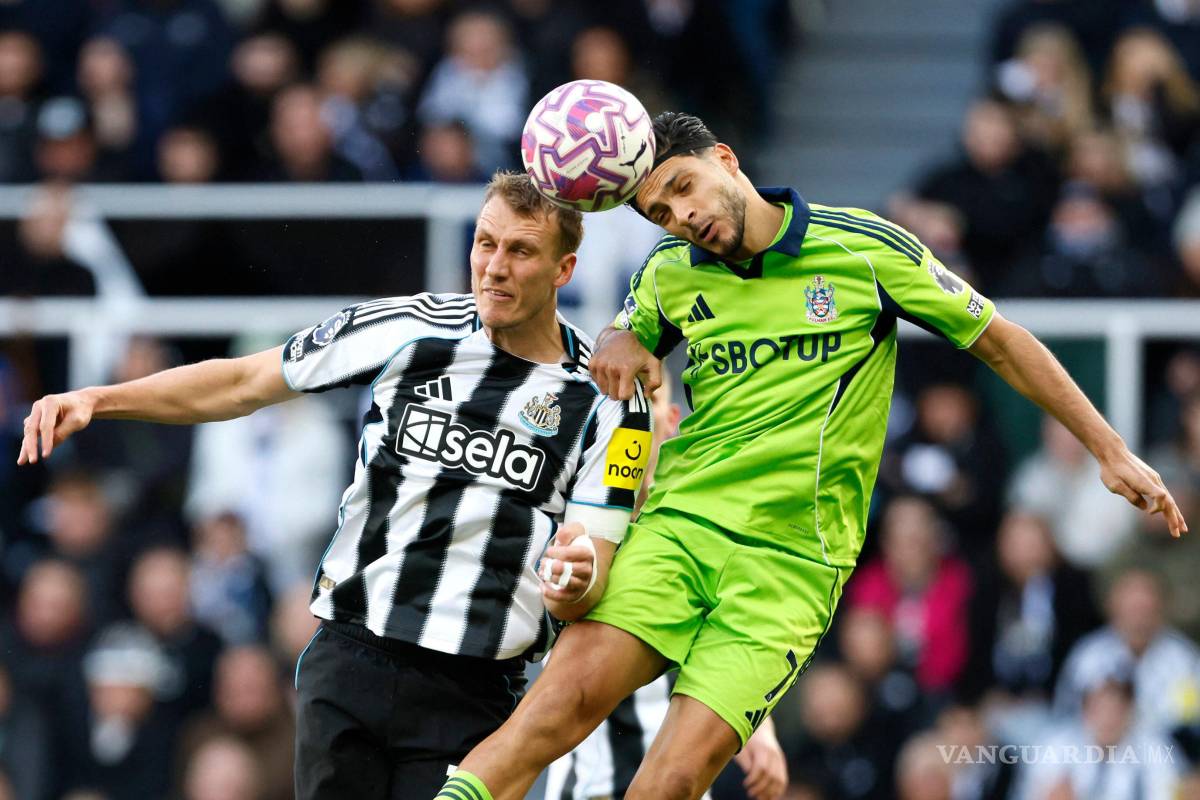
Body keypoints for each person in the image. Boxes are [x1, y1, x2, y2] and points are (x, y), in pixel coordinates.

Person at [433, 111, 1188, 800]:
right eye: (660, 212)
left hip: (792, 565)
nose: (682, 217)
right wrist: (615, 339)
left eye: (685, 189)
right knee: (551, 713)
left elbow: (999, 341)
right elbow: (622, 347)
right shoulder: (668, 274)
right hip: (680, 529)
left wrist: (1110, 449)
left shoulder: (861, 248)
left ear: (726, 160)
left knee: (673, 779)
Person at [16, 171, 652, 799]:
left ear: (564, 270)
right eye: (485, 243)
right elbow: (243, 383)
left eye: (520, 251)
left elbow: (592, 564)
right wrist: (99, 399)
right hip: (351, 661)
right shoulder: (409, 327)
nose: (494, 268)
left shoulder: (607, 399)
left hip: (476, 695)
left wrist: (573, 580)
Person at [545, 381, 787, 800]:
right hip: (585, 787)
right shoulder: (566, 522)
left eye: (647, 401)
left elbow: (725, 633)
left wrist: (760, 728)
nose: (630, 418)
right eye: (618, 403)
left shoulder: (700, 526)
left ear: (671, 421)